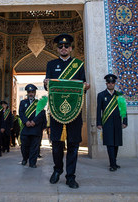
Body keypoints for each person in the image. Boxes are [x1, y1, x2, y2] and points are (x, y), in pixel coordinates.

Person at [43, 33, 90, 189]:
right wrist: (46, 83)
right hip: (56, 111)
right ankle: (57, 170)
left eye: (66, 46)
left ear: (71, 48)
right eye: (60, 46)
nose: (63, 48)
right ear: (58, 49)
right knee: (56, 143)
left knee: (73, 144)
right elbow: (47, 85)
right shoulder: (50, 64)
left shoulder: (79, 65)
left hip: (74, 111)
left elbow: (82, 85)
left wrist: (85, 86)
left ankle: (71, 176)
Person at [96, 74, 128, 171]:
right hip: (107, 122)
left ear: (114, 84)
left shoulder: (119, 95)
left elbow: (123, 109)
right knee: (110, 143)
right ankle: (112, 164)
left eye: (112, 82)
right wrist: (99, 123)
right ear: (106, 83)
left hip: (118, 122)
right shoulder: (101, 95)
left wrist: (125, 121)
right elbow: (98, 110)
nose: (110, 84)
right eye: (109, 82)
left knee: (116, 143)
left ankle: (114, 162)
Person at [18, 84, 47, 168]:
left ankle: (32, 163)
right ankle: (24, 158)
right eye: (29, 92)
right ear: (27, 93)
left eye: (32, 92)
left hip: (35, 128)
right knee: (24, 146)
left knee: (34, 147)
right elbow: (21, 113)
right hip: (25, 128)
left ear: (35, 93)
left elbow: (41, 114)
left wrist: (34, 121)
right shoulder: (23, 102)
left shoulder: (39, 103)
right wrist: (26, 121)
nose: (31, 94)